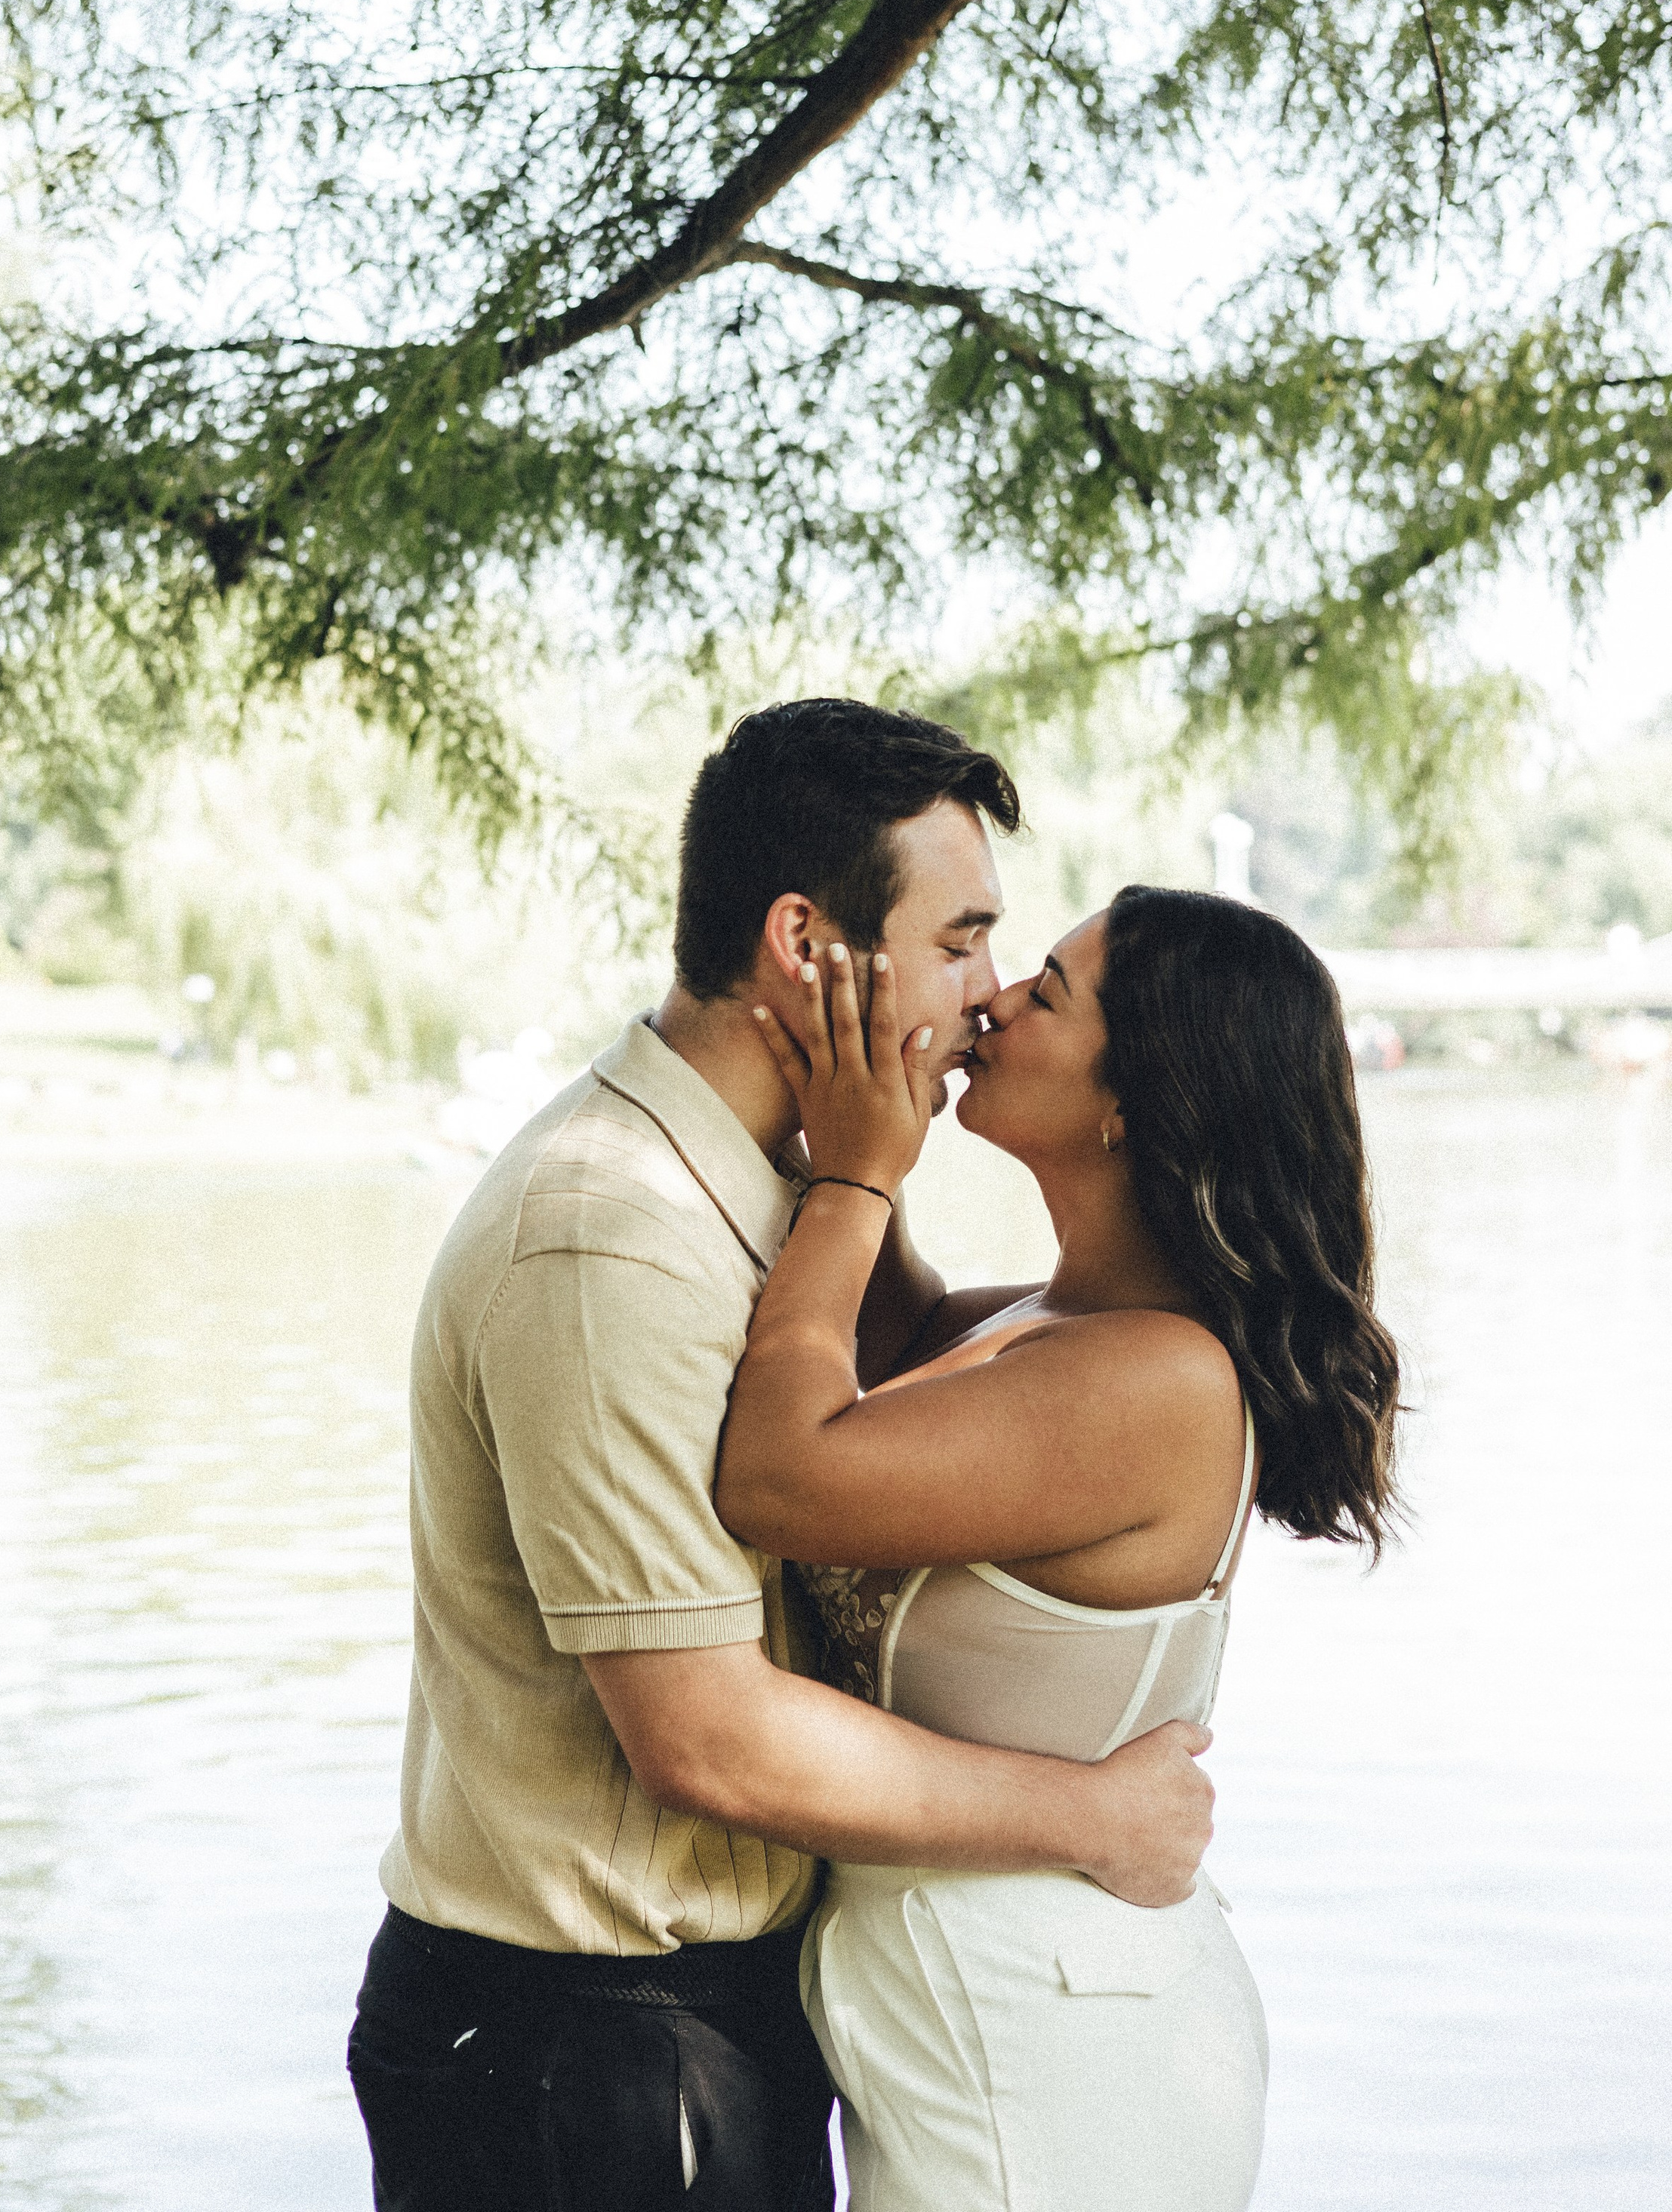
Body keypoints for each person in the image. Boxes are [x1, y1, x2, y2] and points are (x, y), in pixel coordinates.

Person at [346, 703, 1220, 2212]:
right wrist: (1086, 1814)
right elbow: (705, 1739)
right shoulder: (608, 1236)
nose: (988, 991)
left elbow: (942, 1369)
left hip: (692, 2020)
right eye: (957, 940)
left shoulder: (754, 1187)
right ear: (806, 948)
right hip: (584, 2043)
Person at [716, 888, 1403, 2211]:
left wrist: (861, 1174)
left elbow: (779, 1478)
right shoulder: (1048, 1324)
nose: (991, 1004)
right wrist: (850, 1119)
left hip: (1059, 2055)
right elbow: (869, 1332)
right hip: (987, 2014)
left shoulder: (1159, 1380)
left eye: (1045, 991)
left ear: (1133, 1102)